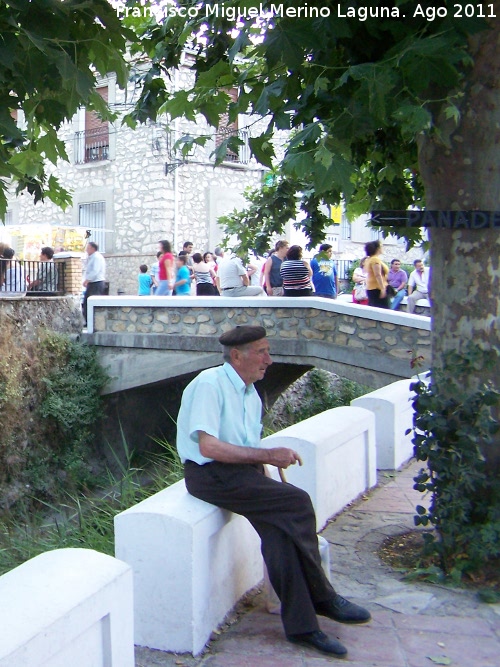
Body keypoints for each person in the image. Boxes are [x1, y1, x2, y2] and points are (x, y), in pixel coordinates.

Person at [176, 325, 371, 658]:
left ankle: (303, 628)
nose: (269, 359)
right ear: (237, 356)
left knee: (280, 535)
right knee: (296, 501)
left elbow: (245, 444)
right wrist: (268, 455)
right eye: (262, 352)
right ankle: (322, 596)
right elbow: (208, 447)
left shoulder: (251, 393)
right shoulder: (210, 384)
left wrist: (261, 469)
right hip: (210, 475)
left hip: (240, 474)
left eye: (268, 351)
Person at [82, 242, 106, 325]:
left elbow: (95, 270)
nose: (86, 250)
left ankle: (92, 322)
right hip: (92, 283)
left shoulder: (96, 257)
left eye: (88, 248)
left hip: (96, 283)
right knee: (86, 302)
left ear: (93, 248)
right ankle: (88, 321)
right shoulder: (91, 257)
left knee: (91, 302)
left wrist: (88, 280)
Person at [364, 240, 389, 308]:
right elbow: (378, 274)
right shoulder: (375, 260)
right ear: (377, 248)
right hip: (376, 288)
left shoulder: (370, 259)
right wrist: (382, 289)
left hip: (372, 288)